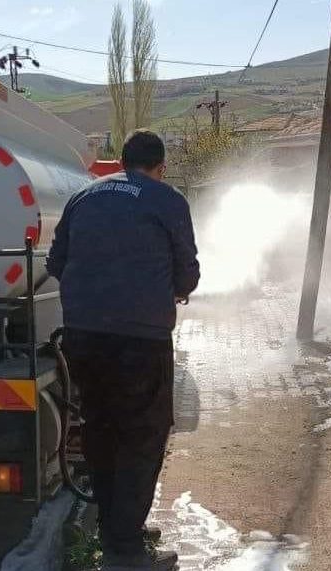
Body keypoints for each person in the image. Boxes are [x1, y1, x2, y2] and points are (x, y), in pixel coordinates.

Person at [47, 129, 200, 571]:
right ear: (160, 167)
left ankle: (117, 527)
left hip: (84, 337)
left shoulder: (82, 197)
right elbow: (187, 274)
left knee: (101, 429)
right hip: (140, 340)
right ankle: (125, 552)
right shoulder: (167, 200)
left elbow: (56, 262)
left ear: (120, 162)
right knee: (142, 437)